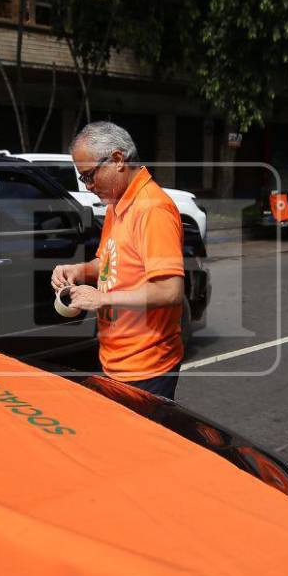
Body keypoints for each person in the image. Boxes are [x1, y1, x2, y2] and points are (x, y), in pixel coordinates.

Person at [50, 122, 185, 399]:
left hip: (146, 367)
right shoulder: (118, 202)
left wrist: (102, 299)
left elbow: (169, 290)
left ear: (117, 160)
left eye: (89, 176)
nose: (88, 187)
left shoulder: (152, 209)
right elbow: (110, 262)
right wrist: (80, 270)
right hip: (116, 359)